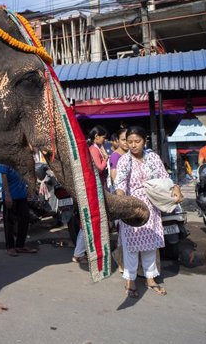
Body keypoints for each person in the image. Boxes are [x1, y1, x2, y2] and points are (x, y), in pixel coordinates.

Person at [114, 126, 183, 298]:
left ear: (145, 141)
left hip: (151, 206)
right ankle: (130, 281)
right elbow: (120, 184)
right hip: (132, 208)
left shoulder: (153, 157)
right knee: (131, 246)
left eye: (137, 141)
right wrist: (122, 202)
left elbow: (164, 176)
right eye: (130, 142)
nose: (133, 145)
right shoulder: (125, 161)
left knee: (149, 245)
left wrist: (175, 188)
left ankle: (150, 278)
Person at [72, 126, 109, 264]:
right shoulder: (93, 149)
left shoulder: (95, 148)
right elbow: (99, 167)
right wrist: (106, 158)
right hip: (93, 189)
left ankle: (82, 252)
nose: (105, 140)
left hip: (95, 188)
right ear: (96, 136)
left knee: (90, 222)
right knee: (88, 222)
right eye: (103, 137)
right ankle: (79, 253)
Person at [0, 160, 38, 257]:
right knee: (9, 222)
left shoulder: (20, 159)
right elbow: (4, 177)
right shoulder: (6, 161)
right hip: (11, 196)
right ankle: (10, 247)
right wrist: (7, 195)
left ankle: (20, 245)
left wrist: (28, 189)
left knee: (25, 218)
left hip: (21, 195)